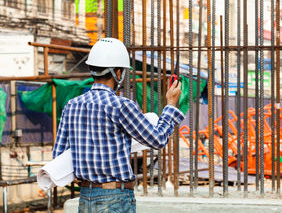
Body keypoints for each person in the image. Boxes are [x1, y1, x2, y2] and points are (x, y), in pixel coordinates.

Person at [52, 38, 184, 213]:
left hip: (85, 198)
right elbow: (158, 139)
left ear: (92, 69)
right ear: (118, 73)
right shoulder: (121, 106)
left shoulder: (72, 105)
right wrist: (171, 104)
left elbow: (59, 155)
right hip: (115, 198)